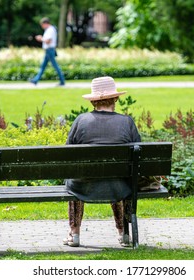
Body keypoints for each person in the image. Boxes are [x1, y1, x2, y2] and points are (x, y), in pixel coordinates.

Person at [63, 76, 141, 247]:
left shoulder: (81, 121)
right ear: (115, 98)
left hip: (83, 186)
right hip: (119, 186)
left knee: (74, 177)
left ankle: (74, 233)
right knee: (117, 175)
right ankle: (123, 233)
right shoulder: (126, 122)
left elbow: (68, 155)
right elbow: (139, 156)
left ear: (93, 101)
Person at [30, 17, 65, 86]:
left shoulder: (50, 30)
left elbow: (48, 41)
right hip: (49, 50)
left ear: (45, 24)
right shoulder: (49, 30)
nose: (42, 27)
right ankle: (35, 80)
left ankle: (62, 81)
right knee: (43, 66)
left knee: (55, 66)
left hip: (50, 50)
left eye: (42, 25)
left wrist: (41, 38)